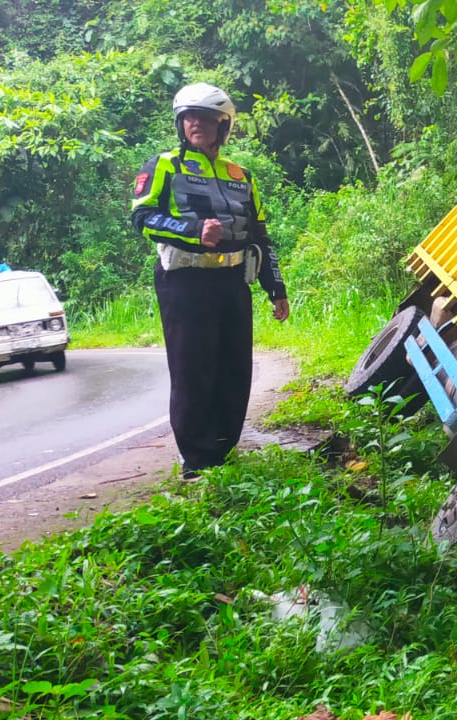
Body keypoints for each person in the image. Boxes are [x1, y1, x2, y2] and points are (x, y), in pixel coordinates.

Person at [130, 82, 291, 478]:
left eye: (205, 118)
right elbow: (142, 217)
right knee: (192, 368)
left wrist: (277, 289)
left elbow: (260, 235)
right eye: (189, 118)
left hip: (233, 281)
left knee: (235, 367)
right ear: (179, 123)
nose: (196, 124)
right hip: (184, 281)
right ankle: (197, 462)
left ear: (224, 126)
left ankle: (223, 447)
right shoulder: (164, 164)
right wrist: (193, 230)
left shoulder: (241, 176)